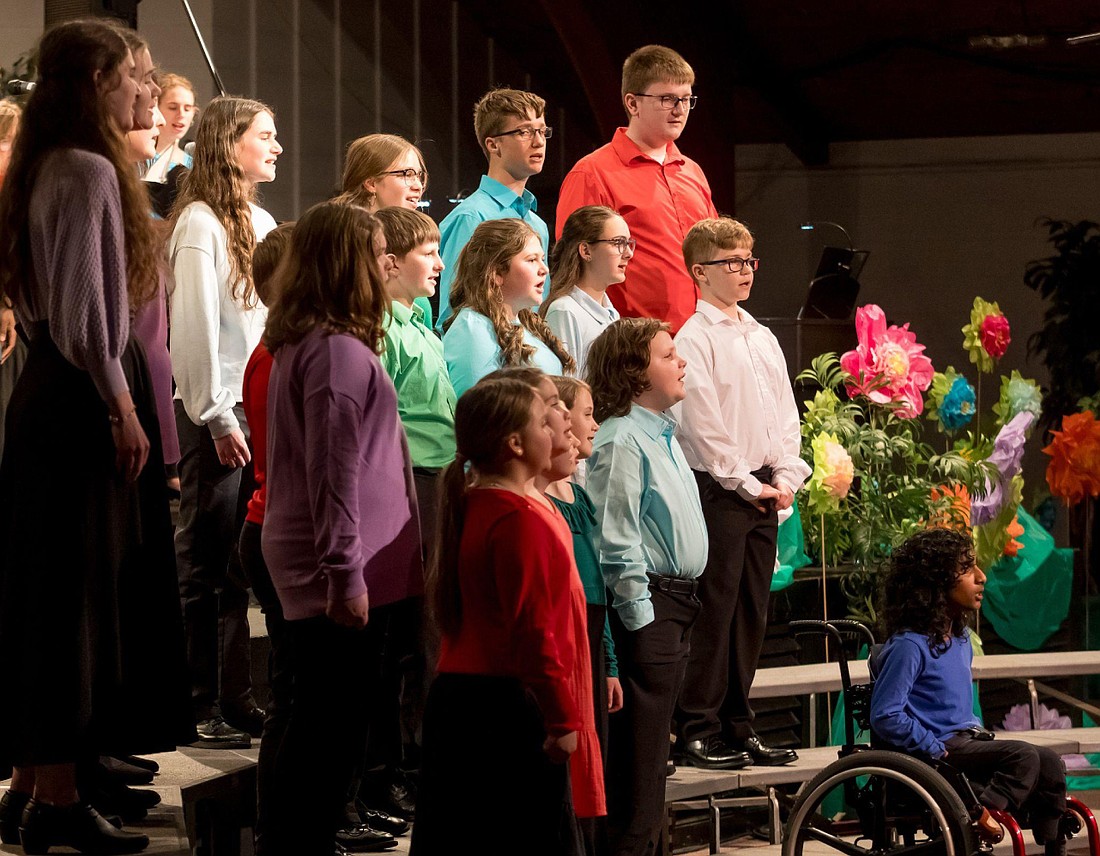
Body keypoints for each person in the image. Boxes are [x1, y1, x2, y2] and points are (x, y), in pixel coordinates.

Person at [0, 20, 192, 854]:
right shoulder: (81, 170)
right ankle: (55, 798)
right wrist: (122, 408)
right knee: (72, 600)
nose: (145, 91)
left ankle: (41, 781)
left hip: (54, 393)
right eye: (134, 75)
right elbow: (87, 318)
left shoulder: (50, 161)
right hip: (80, 396)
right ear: (95, 81)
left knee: (59, 592)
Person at [260, 201, 421, 856]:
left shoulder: (318, 343)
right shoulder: (334, 353)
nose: (387, 264)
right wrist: (345, 573)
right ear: (347, 263)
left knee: (323, 726)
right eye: (378, 251)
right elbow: (334, 474)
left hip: (345, 565)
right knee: (327, 734)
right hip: (336, 571)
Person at [412, 377, 582, 856]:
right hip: (503, 708)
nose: (554, 430)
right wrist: (562, 720)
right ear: (514, 442)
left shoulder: (476, 505)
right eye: (541, 423)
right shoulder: (517, 520)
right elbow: (535, 632)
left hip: (463, 701)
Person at [673, 217, 810, 769]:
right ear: (699, 272)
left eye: (749, 259)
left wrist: (785, 476)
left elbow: (784, 415)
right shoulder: (693, 337)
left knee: (751, 613)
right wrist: (748, 483)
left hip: (765, 487)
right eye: (732, 262)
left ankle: (738, 723)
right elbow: (701, 426)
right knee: (716, 612)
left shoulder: (761, 335)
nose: (745, 270)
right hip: (723, 490)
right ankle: (697, 726)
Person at [168, 95, 282, 748]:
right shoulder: (201, 223)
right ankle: (198, 700)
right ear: (227, 143)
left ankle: (235, 696)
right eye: (264, 136)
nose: (276, 147)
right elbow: (193, 331)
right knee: (208, 560)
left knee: (240, 561)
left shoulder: (258, 219)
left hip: (252, 407)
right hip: (219, 410)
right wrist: (214, 413)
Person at [585, 318, 708, 856]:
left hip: (676, 604)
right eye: (668, 355)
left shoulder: (661, 431)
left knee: (654, 759)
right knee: (637, 766)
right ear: (635, 373)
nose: (681, 362)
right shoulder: (621, 437)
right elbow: (616, 537)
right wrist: (642, 620)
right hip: (650, 609)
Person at [870, 528, 1070, 855]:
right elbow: (885, 714)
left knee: (1049, 761)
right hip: (939, 749)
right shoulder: (910, 646)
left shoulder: (960, 640)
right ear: (935, 583)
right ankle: (979, 816)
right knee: (1023, 757)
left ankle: (1052, 841)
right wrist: (929, 745)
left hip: (967, 739)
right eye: (967, 569)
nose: (982, 577)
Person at [556, 45, 717, 333]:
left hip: (701, 339)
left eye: (686, 99)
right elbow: (573, 270)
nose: (680, 110)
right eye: (667, 99)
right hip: (631, 346)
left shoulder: (692, 172)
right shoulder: (592, 173)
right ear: (632, 104)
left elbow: (715, 255)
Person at [235, 221, 298, 855]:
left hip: (279, 526)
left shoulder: (295, 350)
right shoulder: (274, 356)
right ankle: (284, 831)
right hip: (273, 527)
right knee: (295, 696)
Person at [546, 375, 621, 856]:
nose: (592, 425)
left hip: (592, 635)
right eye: (587, 414)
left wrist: (610, 662)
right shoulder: (542, 505)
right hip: (563, 640)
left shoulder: (583, 500)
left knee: (598, 755)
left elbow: (599, 592)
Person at [436, 87, 552, 331]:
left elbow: (537, 311)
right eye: (524, 132)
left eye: (542, 131)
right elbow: (453, 316)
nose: (539, 141)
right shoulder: (471, 218)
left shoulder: (537, 224)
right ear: (493, 145)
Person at [442, 218, 573, 397]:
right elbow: (478, 414)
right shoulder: (473, 330)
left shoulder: (525, 323)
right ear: (496, 273)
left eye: (542, 259)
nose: (544, 269)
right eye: (531, 260)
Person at [336, 134, 433, 325]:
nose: (418, 185)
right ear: (371, 183)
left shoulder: (408, 241)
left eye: (419, 175)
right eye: (406, 174)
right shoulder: (342, 247)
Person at [541, 206, 628, 379]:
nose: (628, 253)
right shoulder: (564, 311)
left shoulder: (612, 314)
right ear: (586, 251)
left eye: (628, 243)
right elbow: (567, 387)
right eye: (618, 243)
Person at [141, 71, 195, 182]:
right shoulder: (138, 155)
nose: (181, 114)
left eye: (187, 108)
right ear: (156, 108)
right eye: (173, 107)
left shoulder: (192, 166)